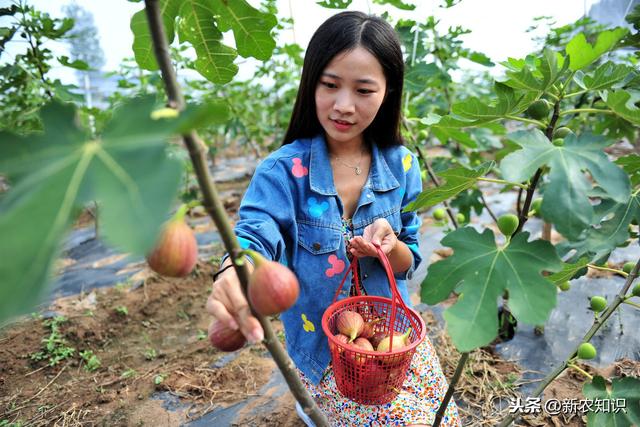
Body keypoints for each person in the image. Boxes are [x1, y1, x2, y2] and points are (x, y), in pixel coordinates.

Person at [206, 11, 461, 426]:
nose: (344, 106)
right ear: (311, 84)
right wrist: (235, 272)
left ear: (387, 92)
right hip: (324, 358)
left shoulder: (402, 167)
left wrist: (391, 247)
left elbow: (408, 261)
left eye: (363, 90)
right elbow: (256, 233)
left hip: (390, 342)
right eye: (329, 85)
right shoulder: (282, 172)